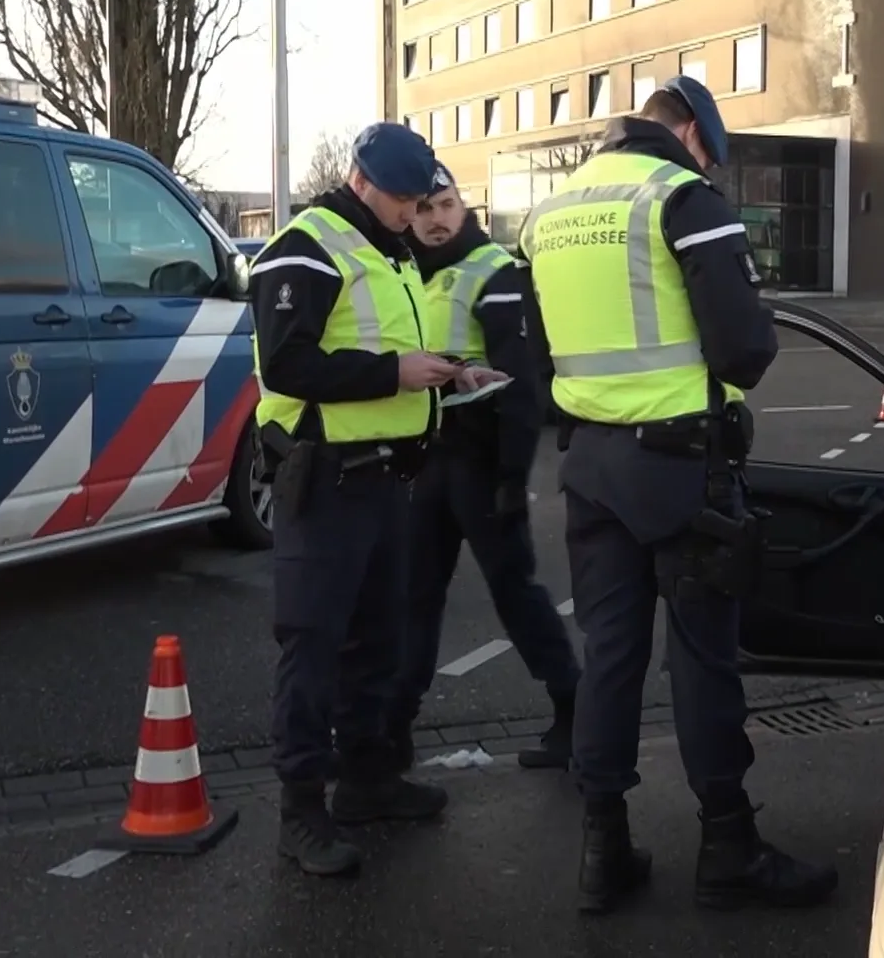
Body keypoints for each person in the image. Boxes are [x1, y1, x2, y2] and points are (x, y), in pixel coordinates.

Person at [519, 77, 839, 915]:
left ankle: (604, 849)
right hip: (682, 470)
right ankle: (729, 846)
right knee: (701, 659)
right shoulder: (682, 198)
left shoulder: (550, 214)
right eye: (713, 152)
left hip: (589, 468)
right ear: (692, 132)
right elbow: (742, 354)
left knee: (611, 656)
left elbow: (534, 351)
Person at [250, 122, 505, 878]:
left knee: (376, 644)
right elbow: (291, 363)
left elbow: (382, 347)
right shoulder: (308, 245)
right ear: (364, 182)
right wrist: (396, 374)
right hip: (325, 477)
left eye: (418, 197)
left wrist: (450, 373)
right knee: (314, 647)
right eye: (401, 199)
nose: (411, 212)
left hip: (385, 476)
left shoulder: (386, 250)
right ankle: (300, 812)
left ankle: (367, 782)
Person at [387, 165, 582, 770]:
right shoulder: (401, 269)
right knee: (413, 598)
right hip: (422, 461)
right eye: (425, 209)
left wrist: (510, 477)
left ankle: (572, 713)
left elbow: (523, 388)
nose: (437, 220)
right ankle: (392, 732)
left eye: (446, 205)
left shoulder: (491, 270)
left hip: (478, 461)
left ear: (462, 205)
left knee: (514, 591)